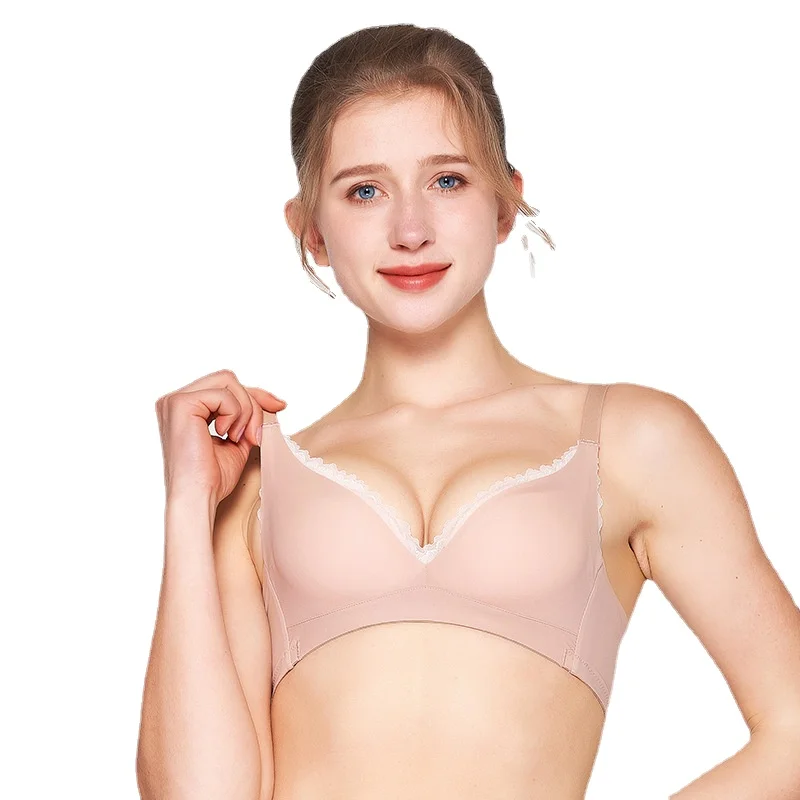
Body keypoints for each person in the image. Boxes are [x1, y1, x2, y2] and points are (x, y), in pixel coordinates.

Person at [136, 23, 800, 800]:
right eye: (364, 191)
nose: (410, 231)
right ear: (310, 228)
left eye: (447, 180)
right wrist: (188, 504)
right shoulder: (255, 484)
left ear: (505, 201)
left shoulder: (632, 441)